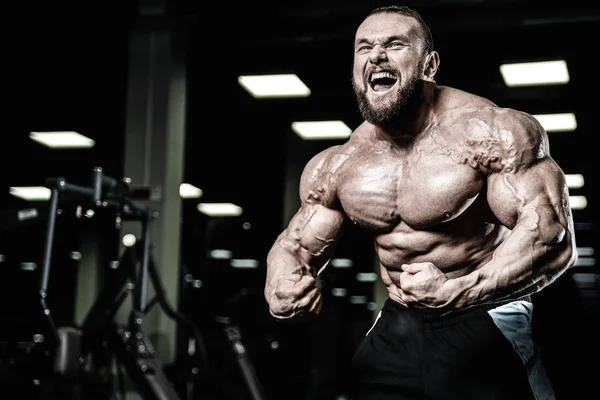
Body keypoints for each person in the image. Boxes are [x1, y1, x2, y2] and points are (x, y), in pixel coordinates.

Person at [264, 4, 577, 400]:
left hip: (484, 311)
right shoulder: (339, 163)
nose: (376, 55)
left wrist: (458, 290)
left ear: (429, 65)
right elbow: (294, 245)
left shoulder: (492, 131)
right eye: (364, 47)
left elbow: (552, 238)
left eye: (394, 44)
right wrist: (280, 282)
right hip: (400, 318)